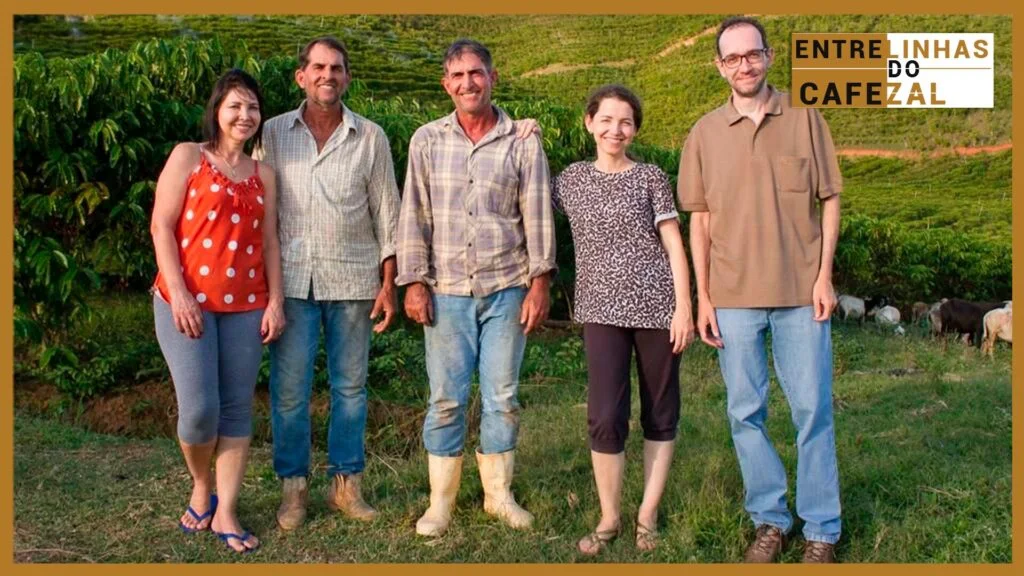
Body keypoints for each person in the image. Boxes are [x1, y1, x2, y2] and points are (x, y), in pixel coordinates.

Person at [678, 16, 843, 563]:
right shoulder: (703, 133)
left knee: (812, 410)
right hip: (731, 298)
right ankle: (770, 520)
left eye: (752, 54)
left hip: (801, 294)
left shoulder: (806, 117)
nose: (744, 65)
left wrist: (824, 276)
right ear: (719, 66)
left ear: (769, 57)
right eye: (732, 58)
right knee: (745, 412)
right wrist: (704, 297)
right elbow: (699, 221)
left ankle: (821, 529)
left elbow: (830, 199)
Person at [396, 38, 557, 537]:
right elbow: (414, 214)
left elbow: (537, 214)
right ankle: (440, 503)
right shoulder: (426, 140)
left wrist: (540, 283)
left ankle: (498, 496)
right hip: (445, 289)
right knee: (445, 398)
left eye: (477, 73)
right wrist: (413, 281)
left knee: (502, 395)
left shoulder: (522, 141)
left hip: (507, 286)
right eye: (459, 75)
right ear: (446, 84)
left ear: (492, 78)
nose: (469, 83)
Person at [255, 36, 401, 530]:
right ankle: (294, 490)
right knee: (289, 391)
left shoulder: (371, 137)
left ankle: (346, 485)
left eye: (336, 68)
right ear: (301, 76)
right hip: (291, 283)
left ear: (347, 77)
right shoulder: (273, 132)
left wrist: (389, 284)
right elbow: (257, 204)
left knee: (351, 389)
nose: (327, 75)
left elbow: (388, 214)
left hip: (353, 281)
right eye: (318, 67)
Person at [552, 84, 694, 555]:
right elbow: (527, 190)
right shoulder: (570, 180)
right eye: (607, 120)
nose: (616, 130)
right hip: (600, 310)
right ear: (589, 123)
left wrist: (684, 306)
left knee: (660, 410)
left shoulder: (650, 176)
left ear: (635, 130)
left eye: (626, 122)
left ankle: (647, 516)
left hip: (657, 308)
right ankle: (610, 516)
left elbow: (673, 242)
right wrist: (521, 131)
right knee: (605, 414)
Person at [150, 68, 284, 554]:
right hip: (185, 302)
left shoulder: (264, 174)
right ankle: (201, 483)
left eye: (253, 107)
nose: (245, 115)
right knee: (199, 411)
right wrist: (180, 293)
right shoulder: (189, 156)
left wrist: (275, 300)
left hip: (247, 305)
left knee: (236, 409)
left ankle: (225, 507)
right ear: (217, 111)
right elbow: (162, 227)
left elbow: (269, 243)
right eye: (235, 106)